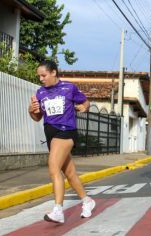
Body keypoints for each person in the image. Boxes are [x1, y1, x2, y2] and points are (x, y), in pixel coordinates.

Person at [28, 60, 95, 224]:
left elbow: (85, 102)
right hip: (51, 134)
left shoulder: (69, 88)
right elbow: (37, 118)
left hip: (66, 131)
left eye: (43, 75)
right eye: (39, 76)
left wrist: (84, 107)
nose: (41, 79)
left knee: (53, 166)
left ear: (53, 72)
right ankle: (87, 201)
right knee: (70, 174)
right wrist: (31, 110)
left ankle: (58, 209)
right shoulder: (40, 93)